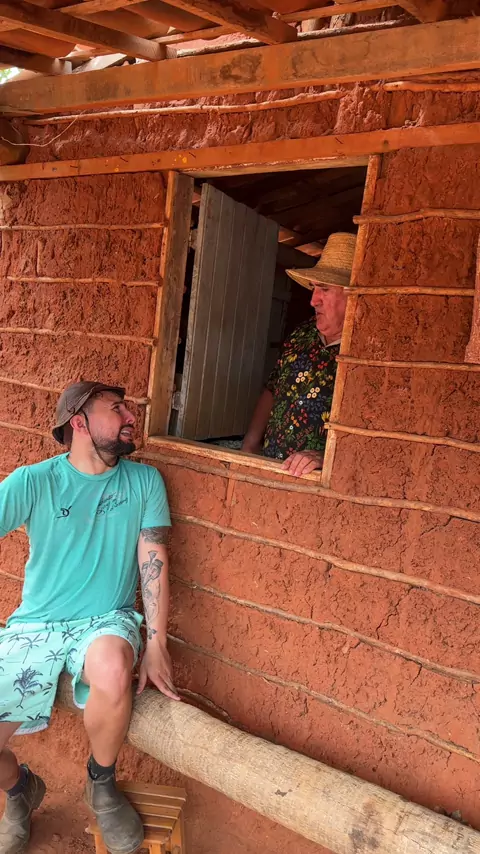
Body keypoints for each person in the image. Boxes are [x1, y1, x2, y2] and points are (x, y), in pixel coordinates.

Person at [0, 381, 179, 854]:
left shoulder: (144, 482)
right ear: (79, 423)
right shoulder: (33, 481)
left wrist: (156, 642)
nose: (131, 416)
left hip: (106, 619)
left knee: (114, 666)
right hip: (36, 626)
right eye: (117, 409)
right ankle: (20, 791)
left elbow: (152, 560)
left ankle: (101, 784)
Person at [242, 232, 356, 477]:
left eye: (324, 289)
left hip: (314, 480)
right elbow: (273, 387)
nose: (313, 301)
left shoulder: (365, 352)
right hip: (271, 466)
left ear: (352, 296)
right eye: (314, 288)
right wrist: (250, 443)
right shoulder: (302, 334)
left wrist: (325, 457)